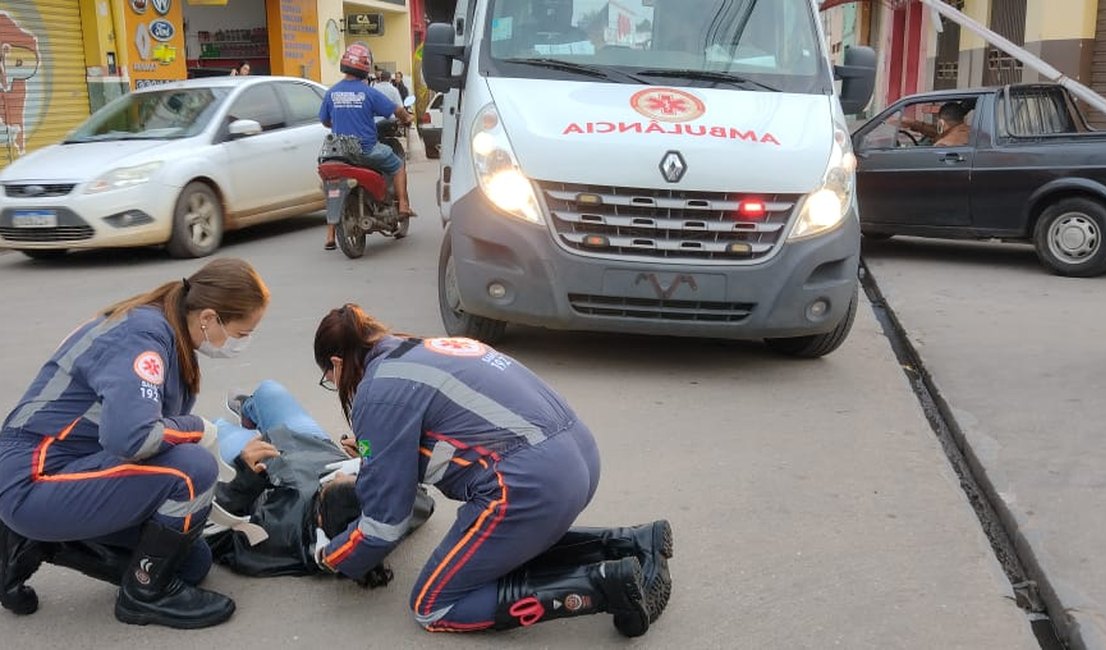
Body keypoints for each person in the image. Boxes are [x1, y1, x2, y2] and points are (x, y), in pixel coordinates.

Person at [310, 304, 674, 636]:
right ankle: (632, 543)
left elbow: (385, 523)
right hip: (579, 458)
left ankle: (602, 586)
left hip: (530, 486)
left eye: (329, 378)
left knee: (433, 604)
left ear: (337, 364)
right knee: (491, 553)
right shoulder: (426, 348)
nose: (337, 386)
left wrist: (331, 556)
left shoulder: (377, 391)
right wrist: (376, 454)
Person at [0, 258, 270, 629]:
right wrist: (199, 428)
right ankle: (143, 596)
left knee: (192, 563)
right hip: (34, 477)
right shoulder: (143, 338)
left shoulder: (166, 330)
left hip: (71, 469)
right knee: (192, 470)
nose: (241, 343)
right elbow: (134, 438)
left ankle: (39, 541)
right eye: (241, 333)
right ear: (209, 317)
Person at [203, 380, 434, 582]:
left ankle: (242, 426)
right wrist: (369, 457)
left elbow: (214, 537)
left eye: (333, 482)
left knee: (213, 429)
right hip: (312, 444)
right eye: (353, 475)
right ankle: (249, 413)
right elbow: (417, 493)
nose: (342, 473)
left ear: (321, 517)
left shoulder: (281, 535)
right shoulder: (390, 515)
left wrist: (244, 479)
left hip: (260, 463)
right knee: (269, 391)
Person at [319, 43, 415, 251]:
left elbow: (325, 121)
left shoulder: (331, 93)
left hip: (339, 153)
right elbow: (396, 110)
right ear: (365, 67)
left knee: (331, 187)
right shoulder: (368, 93)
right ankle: (404, 205)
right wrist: (407, 118)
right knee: (397, 165)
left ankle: (330, 234)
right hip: (365, 151)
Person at [901, 102, 970, 147]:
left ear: (941, 123)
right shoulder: (969, 132)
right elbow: (936, 132)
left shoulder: (942, 144)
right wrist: (912, 123)